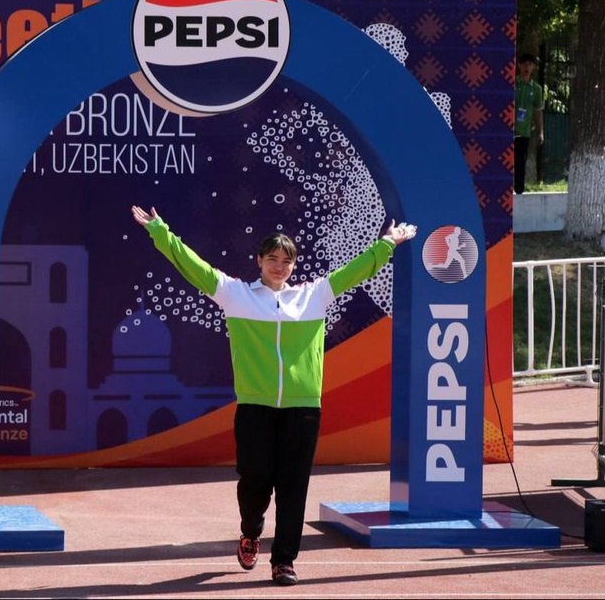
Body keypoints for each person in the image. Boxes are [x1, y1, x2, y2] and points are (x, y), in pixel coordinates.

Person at [130, 205, 416, 586]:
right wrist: (160, 232)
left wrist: (387, 243)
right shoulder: (236, 295)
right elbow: (194, 267)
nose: (279, 266)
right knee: (255, 481)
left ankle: (284, 561)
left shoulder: (313, 296)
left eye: (286, 261)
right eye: (272, 259)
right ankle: (251, 531)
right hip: (255, 407)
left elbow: (356, 271)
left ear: (294, 265)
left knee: (294, 487)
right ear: (259, 261)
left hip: (303, 408)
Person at [514, 52, 545, 194]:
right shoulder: (513, 83)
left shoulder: (536, 89)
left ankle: (518, 190)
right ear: (519, 65)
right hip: (509, 129)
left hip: (524, 130)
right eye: (524, 64)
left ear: (533, 67)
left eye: (530, 64)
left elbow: (538, 111)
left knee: (521, 162)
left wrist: (540, 132)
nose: (527, 67)